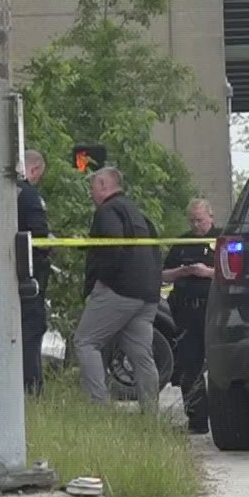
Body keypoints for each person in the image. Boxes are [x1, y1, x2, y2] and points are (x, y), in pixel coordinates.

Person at [75, 166, 162, 410]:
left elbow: (112, 247)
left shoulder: (108, 211)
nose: (91, 194)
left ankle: (98, 408)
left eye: (92, 187)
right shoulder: (138, 214)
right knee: (141, 355)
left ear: (103, 184)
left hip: (118, 292)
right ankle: (150, 414)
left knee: (86, 342)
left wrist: (103, 281)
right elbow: (156, 251)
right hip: (147, 297)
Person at [161, 198, 218, 434]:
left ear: (211, 217)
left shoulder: (221, 239)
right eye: (192, 220)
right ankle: (197, 421)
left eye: (200, 220)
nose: (196, 225)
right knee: (188, 367)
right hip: (185, 311)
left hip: (212, 310)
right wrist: (183, 271)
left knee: (219, 366)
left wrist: (206, 272)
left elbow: (237, 271)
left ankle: (225, 417)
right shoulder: (182, 243)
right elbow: (163, 274)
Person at [16, 149, 52, 395]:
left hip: (4, 276)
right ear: (35, 169)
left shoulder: (4, 191)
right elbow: (38, 234)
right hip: (29, 278)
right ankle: (32, 389)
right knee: (31, 332)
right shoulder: (28, 195)